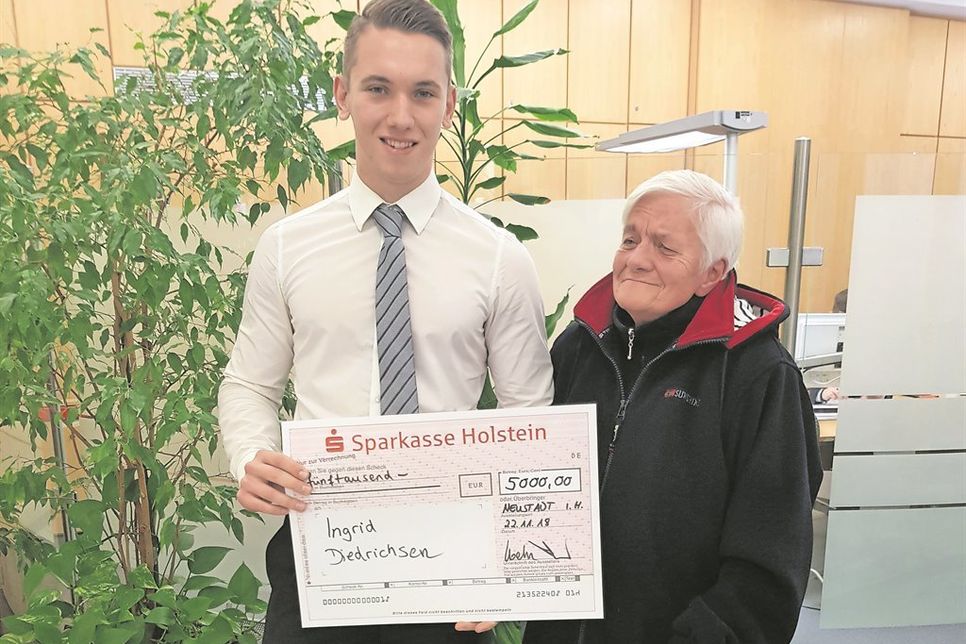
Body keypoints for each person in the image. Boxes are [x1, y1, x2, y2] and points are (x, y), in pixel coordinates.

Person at [217, 1, 553, 641]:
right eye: (378, 88)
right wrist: (251, 456)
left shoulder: (499, 258)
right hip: (321, 554)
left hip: (453, 567)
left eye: (423, 92)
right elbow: (250, 384)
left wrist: (511, 565)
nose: (401, 116)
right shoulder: (286, 248)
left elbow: (528, 418)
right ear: (342, 94)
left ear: (449, 104)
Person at [523, 170, 823, 644]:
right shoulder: (579, 346)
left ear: (712, 273)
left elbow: (770, 559)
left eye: (664, 248)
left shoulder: (758, 373)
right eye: (630, 240)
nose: (636, 259)